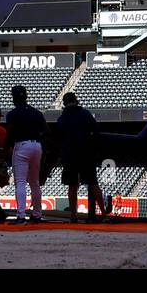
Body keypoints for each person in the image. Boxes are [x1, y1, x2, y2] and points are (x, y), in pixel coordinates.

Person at [57, 92, 106, 222]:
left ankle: (73, 217)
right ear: (76, 101)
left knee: (72, 185)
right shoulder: (85, 113)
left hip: (70, 154)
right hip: (86, 153)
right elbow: (96, 131)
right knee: (93, 183)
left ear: (65, 103)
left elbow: (59, 132)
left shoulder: (63, 116)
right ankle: (104, 215)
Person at [4, 84, 46, 224]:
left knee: (20, 182)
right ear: (26, 96)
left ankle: (21, 216)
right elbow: (46, 132)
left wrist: (5, 150)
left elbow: (9, 134)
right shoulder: (37, 113)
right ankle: (37, 215)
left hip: (21, 145)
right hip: (37, 145)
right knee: (34, 182)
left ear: (14, 98)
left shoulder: (13, 114)